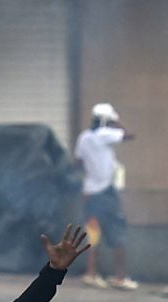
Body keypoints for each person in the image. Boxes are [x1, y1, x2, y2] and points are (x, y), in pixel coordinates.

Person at [74, 103, 137, 290]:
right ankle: (120, 277)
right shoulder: (105, 134)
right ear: (107, 121)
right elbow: (130, 135)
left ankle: (91, 274)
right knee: (118, 232)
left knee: (93, 233)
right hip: (106, 194)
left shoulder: (84, 137)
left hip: (90, 192)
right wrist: (117, 122)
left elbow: (78, 162)